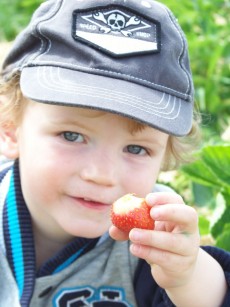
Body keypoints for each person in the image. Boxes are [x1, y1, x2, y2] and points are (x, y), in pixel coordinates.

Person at [0, 0, 230, 306]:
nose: (101, 174)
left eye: (136, 148)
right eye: (72, 135)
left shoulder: (151, 241)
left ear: (164, 157)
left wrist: (187, 276)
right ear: (10, 129)